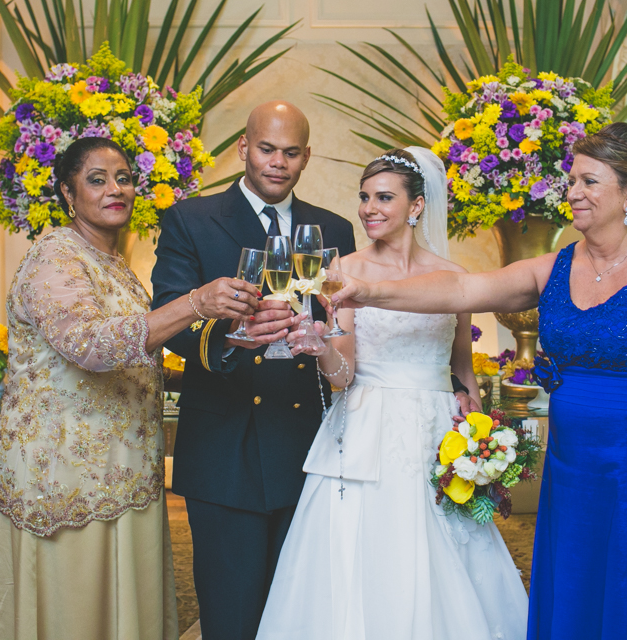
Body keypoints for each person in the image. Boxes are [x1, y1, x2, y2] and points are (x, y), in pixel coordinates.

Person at [333, 123, 627, 639]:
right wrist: (366, 290)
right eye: (572, 180)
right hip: (572, 476)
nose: (573, 193)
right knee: (577, 602)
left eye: (590, 182)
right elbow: (461, 289)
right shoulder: (555, 267)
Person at [0, 137, 260, 639]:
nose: (116, 189)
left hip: (125, 470)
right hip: (67, 476)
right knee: (78, 612)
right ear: (68, 194)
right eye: (97, 179)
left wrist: (220, 367)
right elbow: (91, 347)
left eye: (124, 178)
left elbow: (136, 359)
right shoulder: (55, 258)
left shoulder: (112, 264)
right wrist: (196, 302)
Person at [256, 147, 528, 640]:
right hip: (366, 431)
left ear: (417, 205)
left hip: (437, 434)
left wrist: (481, 444)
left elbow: (462, 374)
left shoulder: (456, 279)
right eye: (364, 197)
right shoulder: (342, 271)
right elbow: (343, 376)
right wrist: (320, 349)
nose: (368, 208)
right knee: (364, 556)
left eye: (384, 196)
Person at [150, 101, 360, 640]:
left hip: (307, 446)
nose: (277, 162)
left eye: (291, 153)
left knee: (305, 613)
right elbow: (169, 320)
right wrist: (230, 339)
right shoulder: (191, 220)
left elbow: (345, 323)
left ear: (306, 157)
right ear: (244, 148)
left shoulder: (332, 227)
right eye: (266, 149)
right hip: (226, 445)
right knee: (233, 614)